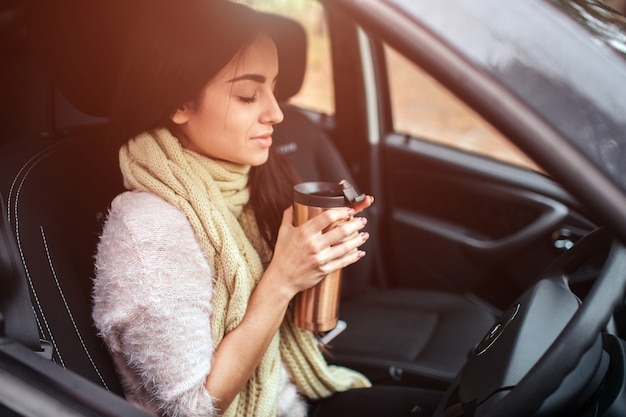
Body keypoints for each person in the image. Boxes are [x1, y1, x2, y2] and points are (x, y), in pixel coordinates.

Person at [92, 1, 442, 416]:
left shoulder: (249, 181)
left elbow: (296, 331)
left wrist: (320, 251)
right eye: (247, 94)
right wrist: (282, 279)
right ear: (181, 102)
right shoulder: (148, 230)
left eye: (274, 88)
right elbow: (191, 409)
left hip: (297, 399)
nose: (276, 113)